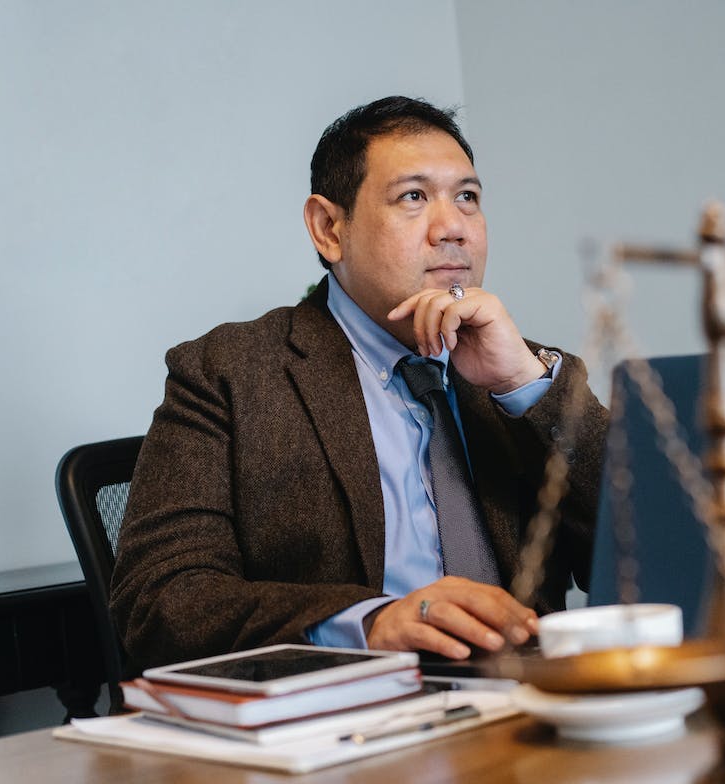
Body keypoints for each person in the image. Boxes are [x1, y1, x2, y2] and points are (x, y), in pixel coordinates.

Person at [110, 96, 609, 670]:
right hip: (349, 725)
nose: (453, 229)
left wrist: (525, 385)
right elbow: (161, 602)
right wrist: (370, 622)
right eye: (414, 197)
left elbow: (655, 552)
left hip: (530, 706)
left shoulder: (526, 374)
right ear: (329, 228)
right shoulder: (229, 373)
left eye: (467, 198)